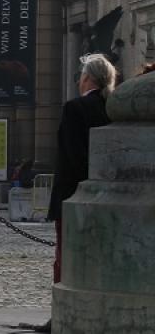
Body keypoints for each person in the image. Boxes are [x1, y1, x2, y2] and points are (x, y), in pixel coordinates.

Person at [48, 55, 117, 284]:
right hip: (107, 193)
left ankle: (62, 305)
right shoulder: (112, 108)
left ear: (86, 78)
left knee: (66, 254)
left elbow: (71, 154)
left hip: (72, 193)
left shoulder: (74, 108)